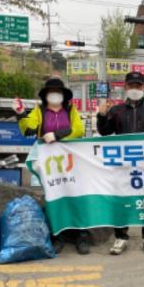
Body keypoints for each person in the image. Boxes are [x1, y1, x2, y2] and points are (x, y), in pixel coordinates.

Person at [14, 77, 89, 254]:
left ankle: (81, 236)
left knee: (75, 195)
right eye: (51, 91)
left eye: (58, 91)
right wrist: (21, 114)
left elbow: (79, 130)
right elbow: (28, 129)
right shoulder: (39, 111)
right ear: (46, 94)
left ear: (63, 95)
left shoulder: (70, 110)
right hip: (50, 163)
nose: (55, 94)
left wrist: (57, 135)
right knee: (53, 196)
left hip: (70, 160)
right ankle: (57, 237)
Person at [97, 71, 144, 256]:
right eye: (131, 85)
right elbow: (104, 132)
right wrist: (101, 115)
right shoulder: (116, 110)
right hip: (122, 164)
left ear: (143, 87)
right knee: (121, 199)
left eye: (138, 85)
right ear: (125, 87)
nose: (134, 88)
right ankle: (120, 237)